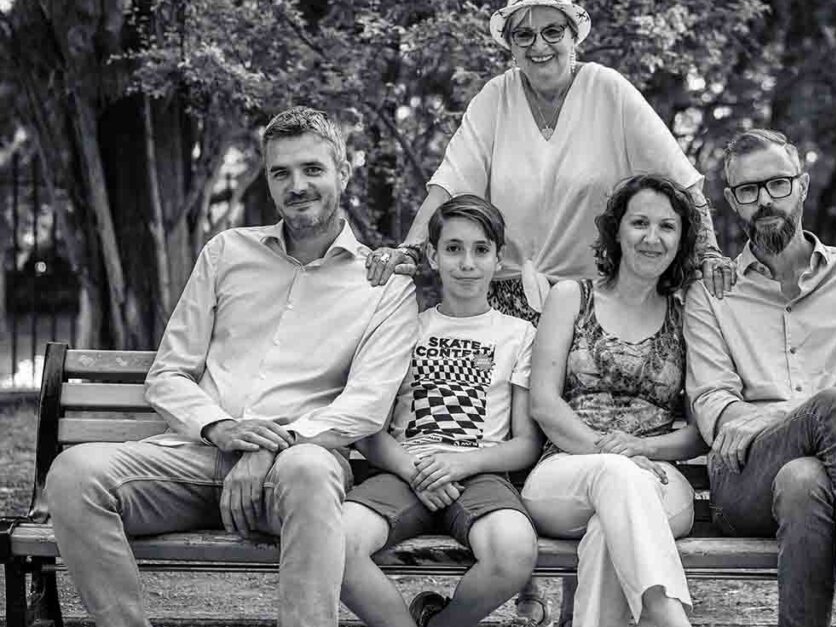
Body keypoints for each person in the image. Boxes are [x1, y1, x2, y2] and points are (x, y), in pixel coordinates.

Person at [43, 106, 419, 627]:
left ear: (343, 173)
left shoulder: (385, 285)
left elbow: (365, 406)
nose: (297, 185)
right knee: (73, 474)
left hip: (295, 469)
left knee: (309, 471)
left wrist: (269, 448)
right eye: (280, 173)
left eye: (312, 169)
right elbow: (169, 372)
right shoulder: (226, 252)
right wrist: (222, 429)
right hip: (193, 457)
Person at [365, 0, 735, 325]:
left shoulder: (608, 89)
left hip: (598, 296)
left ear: (574, 37)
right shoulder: (496, 97)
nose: (539, 45)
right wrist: (410, 249)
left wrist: (711, 254)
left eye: (552, 31)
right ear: (510, 45)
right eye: (523, 35)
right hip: (507, 300)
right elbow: (449, 185)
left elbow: (683, 184)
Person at [683, 129, 836, 627]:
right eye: (748, 190)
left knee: (804, 477)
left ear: (803, 186)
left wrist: (834, 427)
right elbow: (713, 405)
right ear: (731, 201)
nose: (764, 200)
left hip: (819, 478)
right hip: (743, 479)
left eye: (778, 184)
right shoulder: (711, 295)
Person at [339, 194, 542, 627]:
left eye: (480, 249)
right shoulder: (406, 326)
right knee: (331, 542)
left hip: (479, 473)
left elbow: (525, 443)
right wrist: (416, 470)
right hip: (402, 470)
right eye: (453, 248)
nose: (467, 262)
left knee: (514, 550)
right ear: (432, 255)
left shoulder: (519, 334)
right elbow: (367, 429)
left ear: (497, 258)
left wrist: (460, 462)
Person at [522, 175, 706, 627]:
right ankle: (668, 617)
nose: (652, 237)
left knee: (613, 522)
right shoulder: (571, 297)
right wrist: (609, 450)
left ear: (681, 240)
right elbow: (544, 404)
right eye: (639, 222)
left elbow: (700, 432)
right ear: (617, 231)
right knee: (616, 476)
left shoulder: (688, 316)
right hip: (566, 471)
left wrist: (641, 449)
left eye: (667, 226)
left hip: (659, 477)